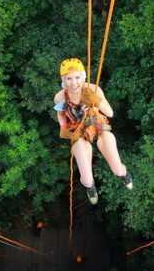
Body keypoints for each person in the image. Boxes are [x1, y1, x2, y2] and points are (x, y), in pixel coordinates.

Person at [53, 58, 133, 205]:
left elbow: (110, 113)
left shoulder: (93, 89)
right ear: (63, 80)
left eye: (77, 77)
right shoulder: (60, 97)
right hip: (79, 131)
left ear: (83, 76)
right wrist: (66, 129)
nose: (74, 83)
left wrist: (95, 100)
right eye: (69, 78)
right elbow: (62, 117)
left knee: (116, 168)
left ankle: (124, 174)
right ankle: (90, 187)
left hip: (98, 126)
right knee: (87, 177)